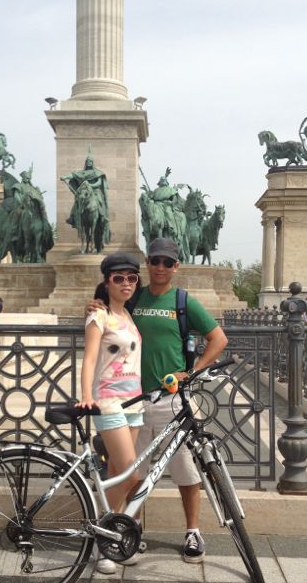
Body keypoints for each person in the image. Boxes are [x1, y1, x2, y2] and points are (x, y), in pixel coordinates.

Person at [88, 237, 228, 563]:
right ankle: (128, 529)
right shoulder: (133, 297)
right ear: (147, 264)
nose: (160, 267)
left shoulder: (183, 301)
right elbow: (109, 309)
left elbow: (218, 339)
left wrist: (191, 372)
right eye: (155, 261)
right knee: (130, 471)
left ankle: (192, 530)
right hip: (133, 400)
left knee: (185, 470)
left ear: (176, 266)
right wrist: (93, 304)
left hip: (171, 400)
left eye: (167, 262)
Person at [79, 252, 144, 575]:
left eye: (131, 277)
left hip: (135, 403)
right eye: (119, 278)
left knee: (118, 472)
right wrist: (86, 396)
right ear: (107, 282)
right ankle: (104, 533)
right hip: (109, 402)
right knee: (132, 475)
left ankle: (111, 541)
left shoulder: (129, 316)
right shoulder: (98, 316)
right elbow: (90, 359)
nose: (126, 283)